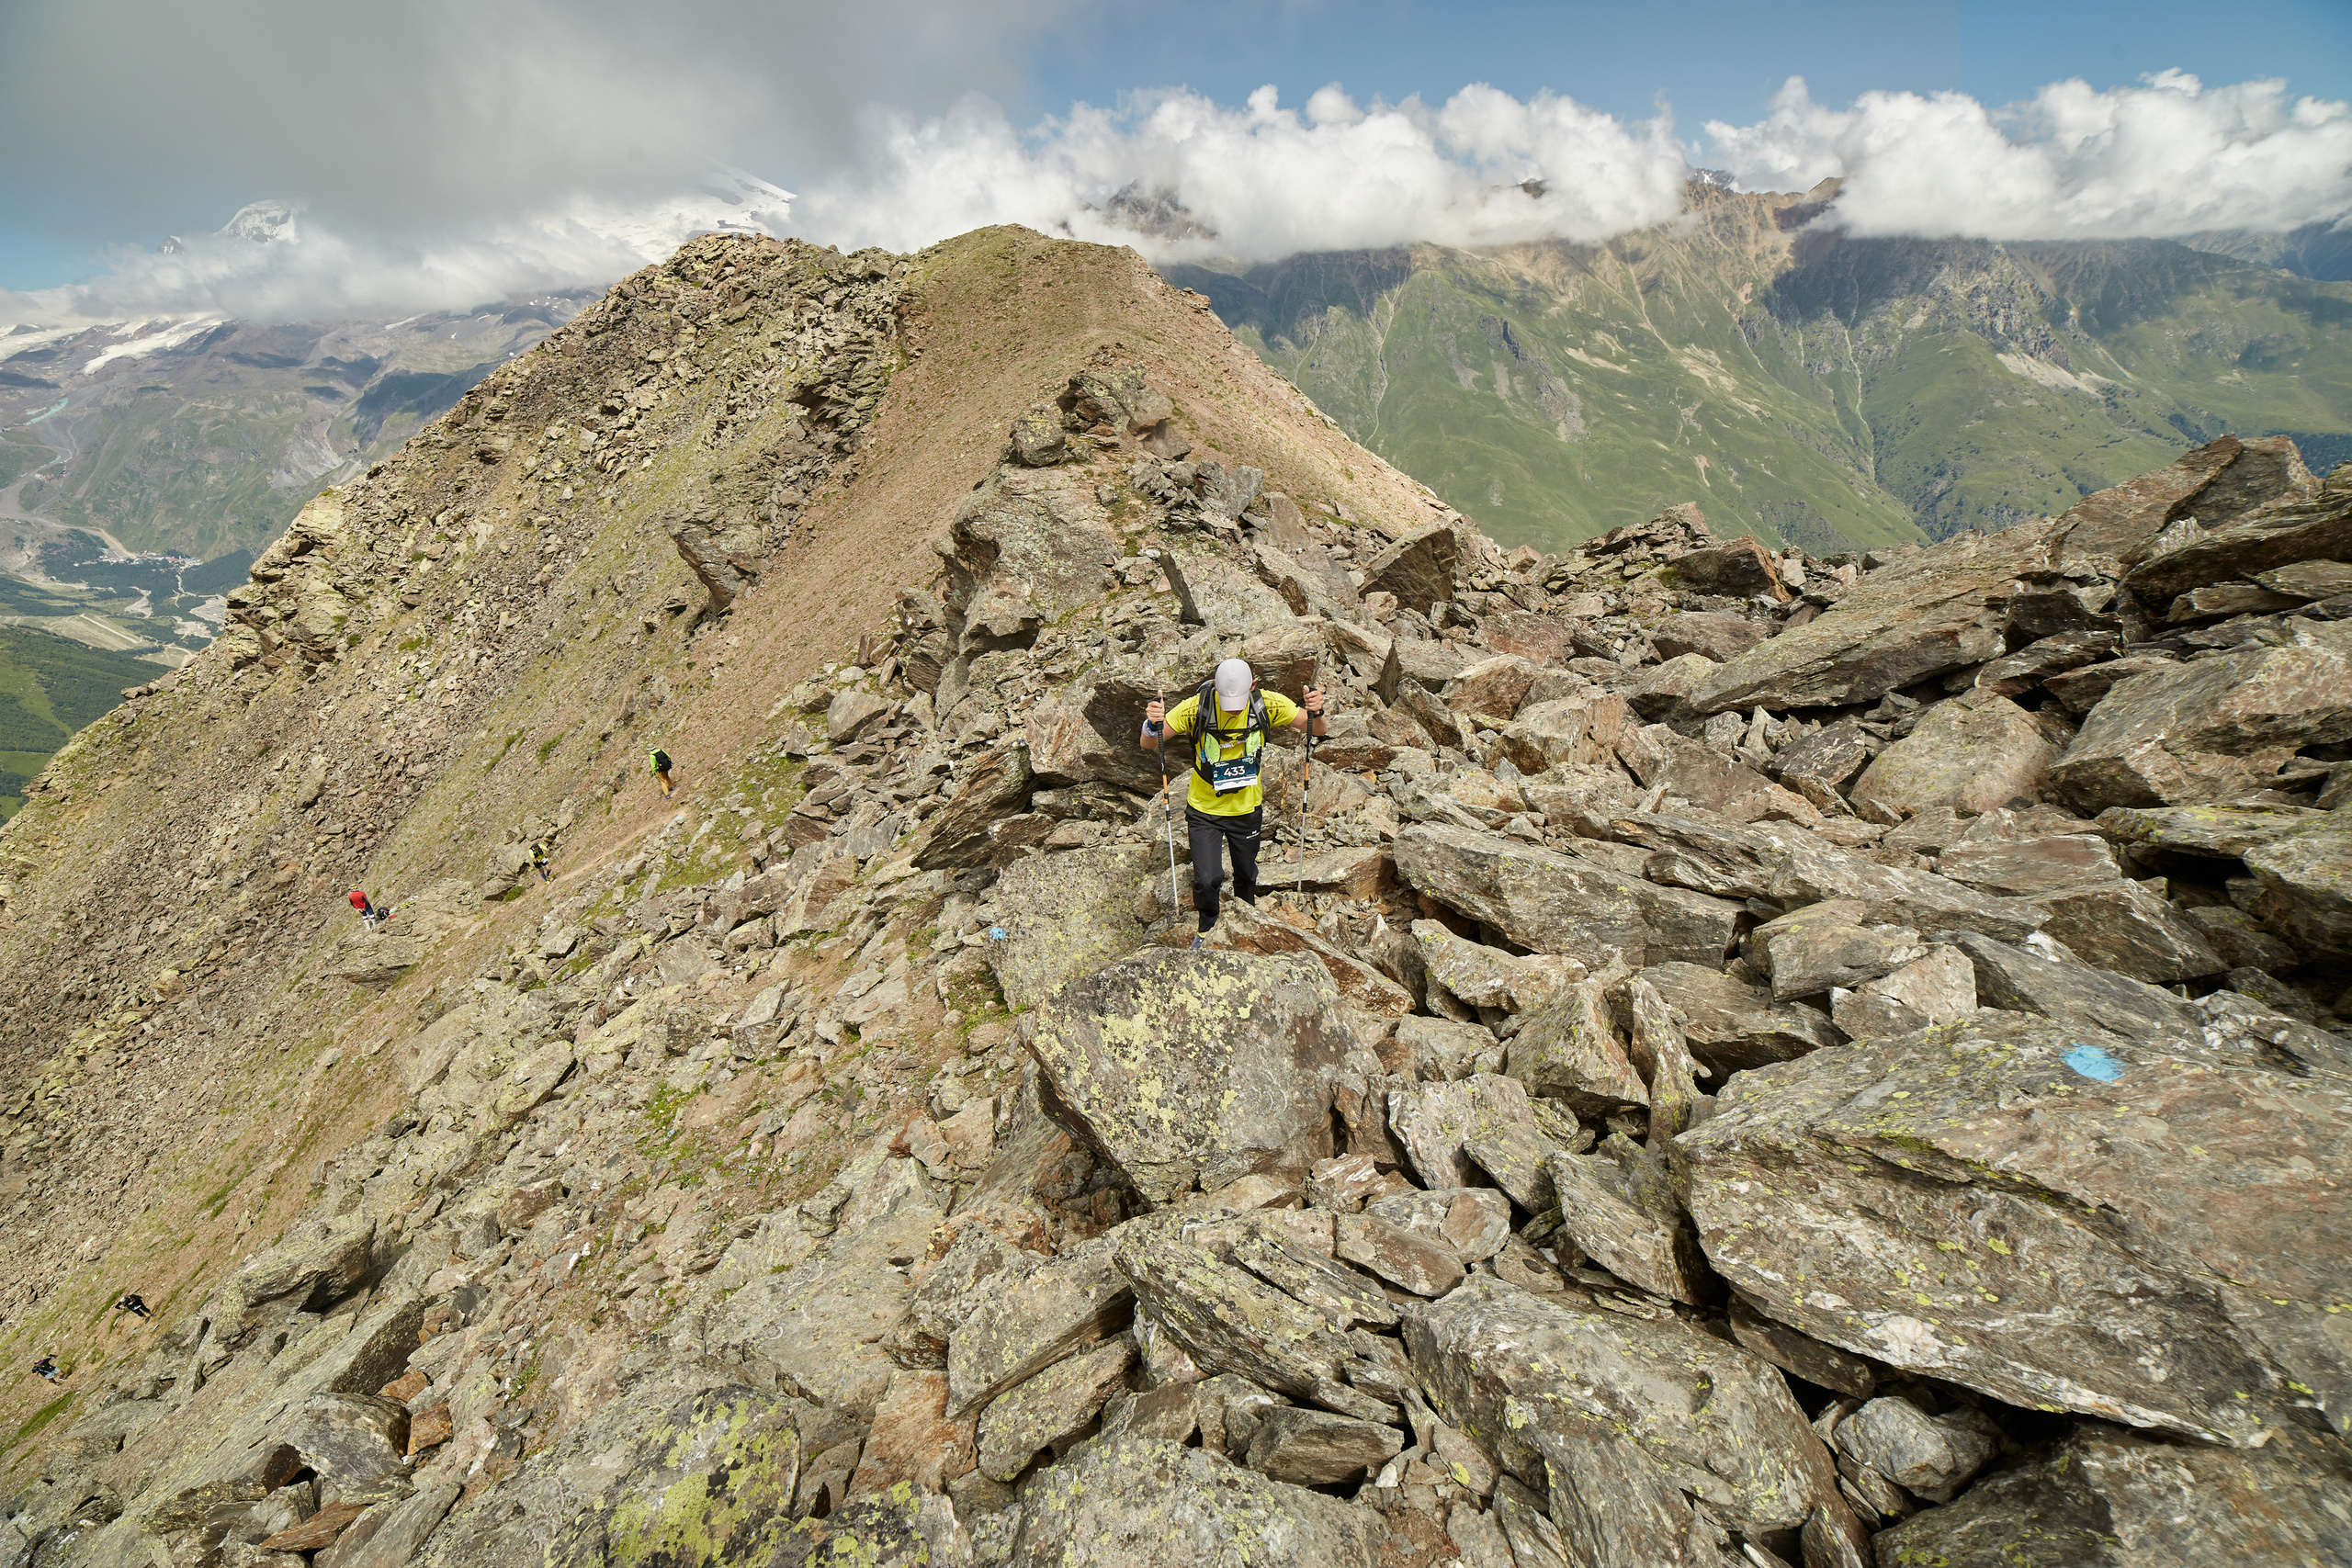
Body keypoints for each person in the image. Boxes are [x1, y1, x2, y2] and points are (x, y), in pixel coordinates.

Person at [1143, 658, 1327, 946]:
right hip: (1204, 810)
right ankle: (1206, 927)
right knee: (1207, 879)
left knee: (1246, 872)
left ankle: (1246, 919)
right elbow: (1151, 743)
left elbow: (1316, 728)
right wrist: (1151, 723)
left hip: (1246, 809)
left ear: (1253, 686)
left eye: (1239, 701)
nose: (1233, 709)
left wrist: (1318, 710)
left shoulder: (1268, 704)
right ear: (1215, 686)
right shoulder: (1197, 707)